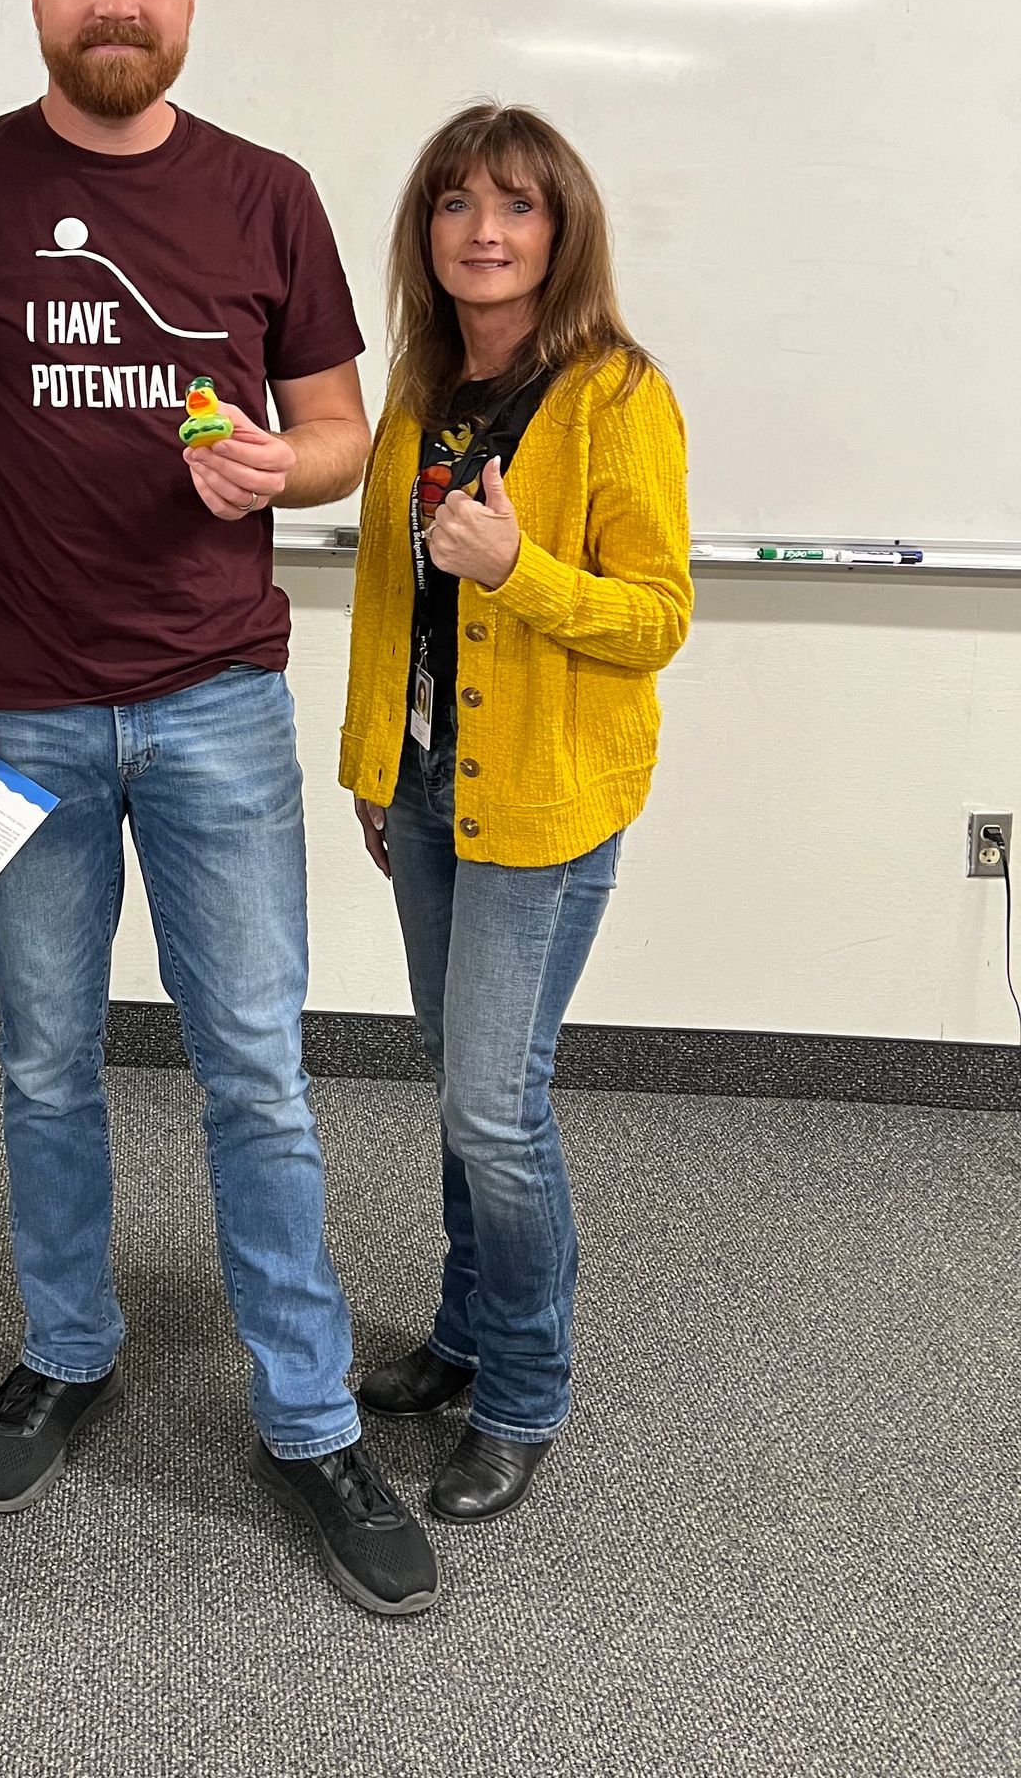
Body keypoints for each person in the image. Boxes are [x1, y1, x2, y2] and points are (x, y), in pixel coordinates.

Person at [0, 0, 440, 1619]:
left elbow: (343, 434)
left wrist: (290, 465)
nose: (117, 3)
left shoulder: (267, 196)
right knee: (44, 1063)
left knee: (254, 1066)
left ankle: (312, 1414)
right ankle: (70, 1346)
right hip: (6, 711)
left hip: (214, 707)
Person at [341, 104, 691, 1522]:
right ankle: (466, 1330)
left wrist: (519, 568)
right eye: (456, 202)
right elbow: (386, 602)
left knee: (497, 1101)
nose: (485, 230)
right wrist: (375, 766)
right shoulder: (421, 390)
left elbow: (656, 617)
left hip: (545, 804)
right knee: (458, 1081)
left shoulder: (617, 396)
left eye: (519, 206)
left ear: (563, 231)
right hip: (432, 790)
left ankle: (528, 1389)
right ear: (427, 230)